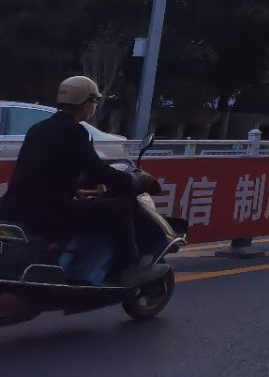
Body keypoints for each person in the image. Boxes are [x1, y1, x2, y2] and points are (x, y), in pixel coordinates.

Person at [0, 76, 161, 286]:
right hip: (48, 213)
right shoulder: (74, 131)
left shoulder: (37, 129)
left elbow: (46, 171)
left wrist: (77, 191)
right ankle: (130, 266)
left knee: (91, 207)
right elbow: (96, 169)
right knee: (122, 207)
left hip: (15, 207)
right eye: (94, 102)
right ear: (85, 103)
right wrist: (133, 181)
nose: (94, 107)